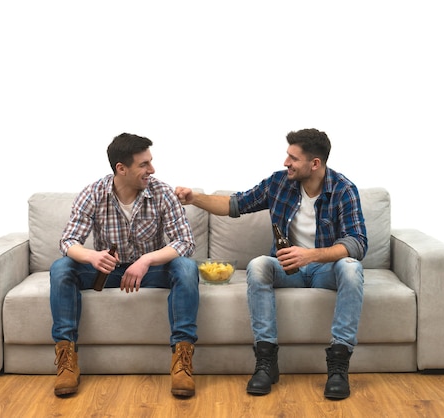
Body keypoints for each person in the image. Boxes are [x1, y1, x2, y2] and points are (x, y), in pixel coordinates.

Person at [175, 128, 367, 400]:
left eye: (293, 158)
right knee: (258, 265)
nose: (286, 163)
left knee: (351, 267)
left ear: (315, 164)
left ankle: (338, 367)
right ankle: (266, 362)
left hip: (326, 271)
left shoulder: (343, 189)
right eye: (287, 156)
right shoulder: (279, 183)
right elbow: (235, 204)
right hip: (288, 270)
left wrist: (309, 255)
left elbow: (357, 244)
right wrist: (195, 198)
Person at [50, 133, 199, 398]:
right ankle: (66, 359)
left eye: (150, 162)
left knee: (186, 268)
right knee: (62, 268)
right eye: (144, 164)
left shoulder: (162, 192)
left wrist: (147, 260)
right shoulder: (93, 193)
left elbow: (185, 242)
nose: (151, 170)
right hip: (107, 271)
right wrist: (91, 256)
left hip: (148, 272)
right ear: (121, 168)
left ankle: (182, 361)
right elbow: (68, 241)